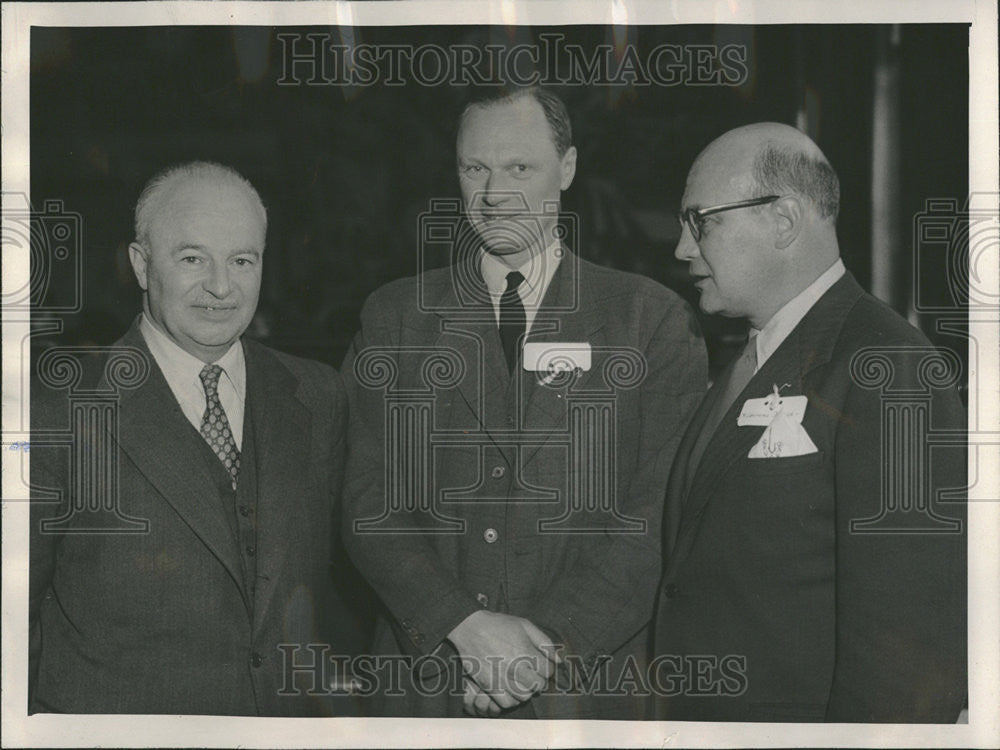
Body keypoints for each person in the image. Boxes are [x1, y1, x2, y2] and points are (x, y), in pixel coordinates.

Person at [340, 86, 707, 719]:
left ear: (566, 170)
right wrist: (463, 627)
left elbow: (658, 519)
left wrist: (538, 653)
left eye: (519, 168)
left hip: (585, 698)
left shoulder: (649, 320)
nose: (493, 195)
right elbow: (366, 503)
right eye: (474, 168)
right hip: (427, 693)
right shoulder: (395, 316)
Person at [653, 123, 967, 722]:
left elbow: (910, 657)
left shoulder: (890, 367)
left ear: (784, 220)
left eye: (702, 221)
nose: (683, 248)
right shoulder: (749, 358)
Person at [29, 162, 351, 716]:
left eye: (241, 261)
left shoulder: (318, 396)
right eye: (192, 258)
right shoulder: (57, 413)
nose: (221, 287)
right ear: (141, 265)